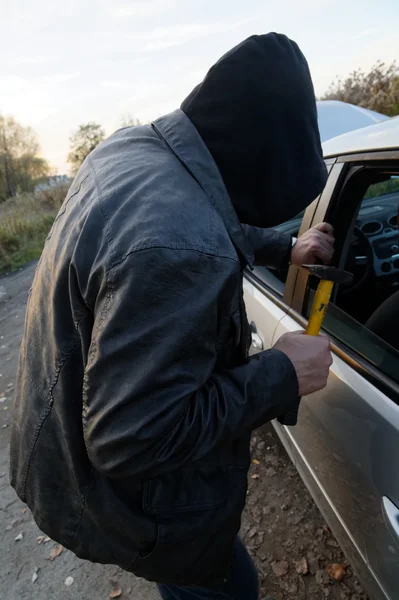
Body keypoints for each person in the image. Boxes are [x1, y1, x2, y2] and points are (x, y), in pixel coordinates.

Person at [10, 33, 334, 600]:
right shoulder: (178, 247)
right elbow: (129, 438)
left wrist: (284, 247)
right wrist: (281, 373)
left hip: (57, 448)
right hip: (118, 498)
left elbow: (204, 207)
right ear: (257, 158)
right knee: (226, 586)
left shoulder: (134, 150)